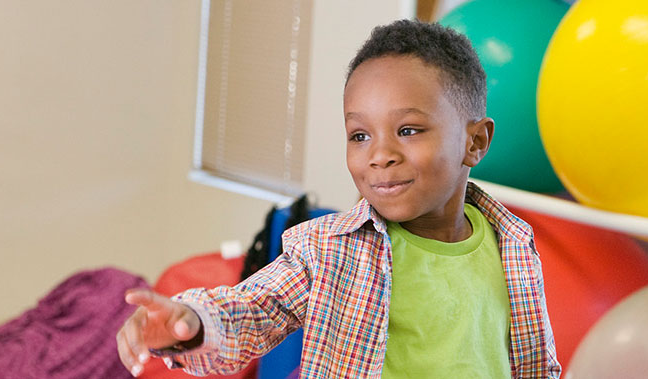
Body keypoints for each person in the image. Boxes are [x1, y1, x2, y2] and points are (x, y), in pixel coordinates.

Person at [115, 19, 560, 378]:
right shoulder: (328, 250)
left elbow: (535, 362)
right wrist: (190, 323)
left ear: (475, 142)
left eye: (408, 130)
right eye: (359, 135)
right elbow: (254, 309)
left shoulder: (513, 247)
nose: (380, 156)